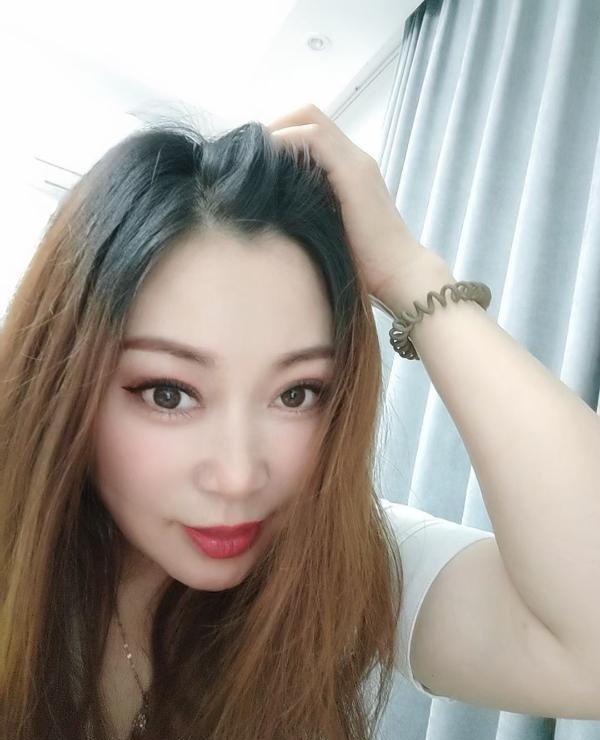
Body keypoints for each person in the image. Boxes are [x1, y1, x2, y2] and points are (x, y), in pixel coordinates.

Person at [1, 103, 599, 740]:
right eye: (169, 394)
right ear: (66, 380)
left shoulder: (334, 558)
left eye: (297, 394)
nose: (238, 477)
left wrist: (410, 274)